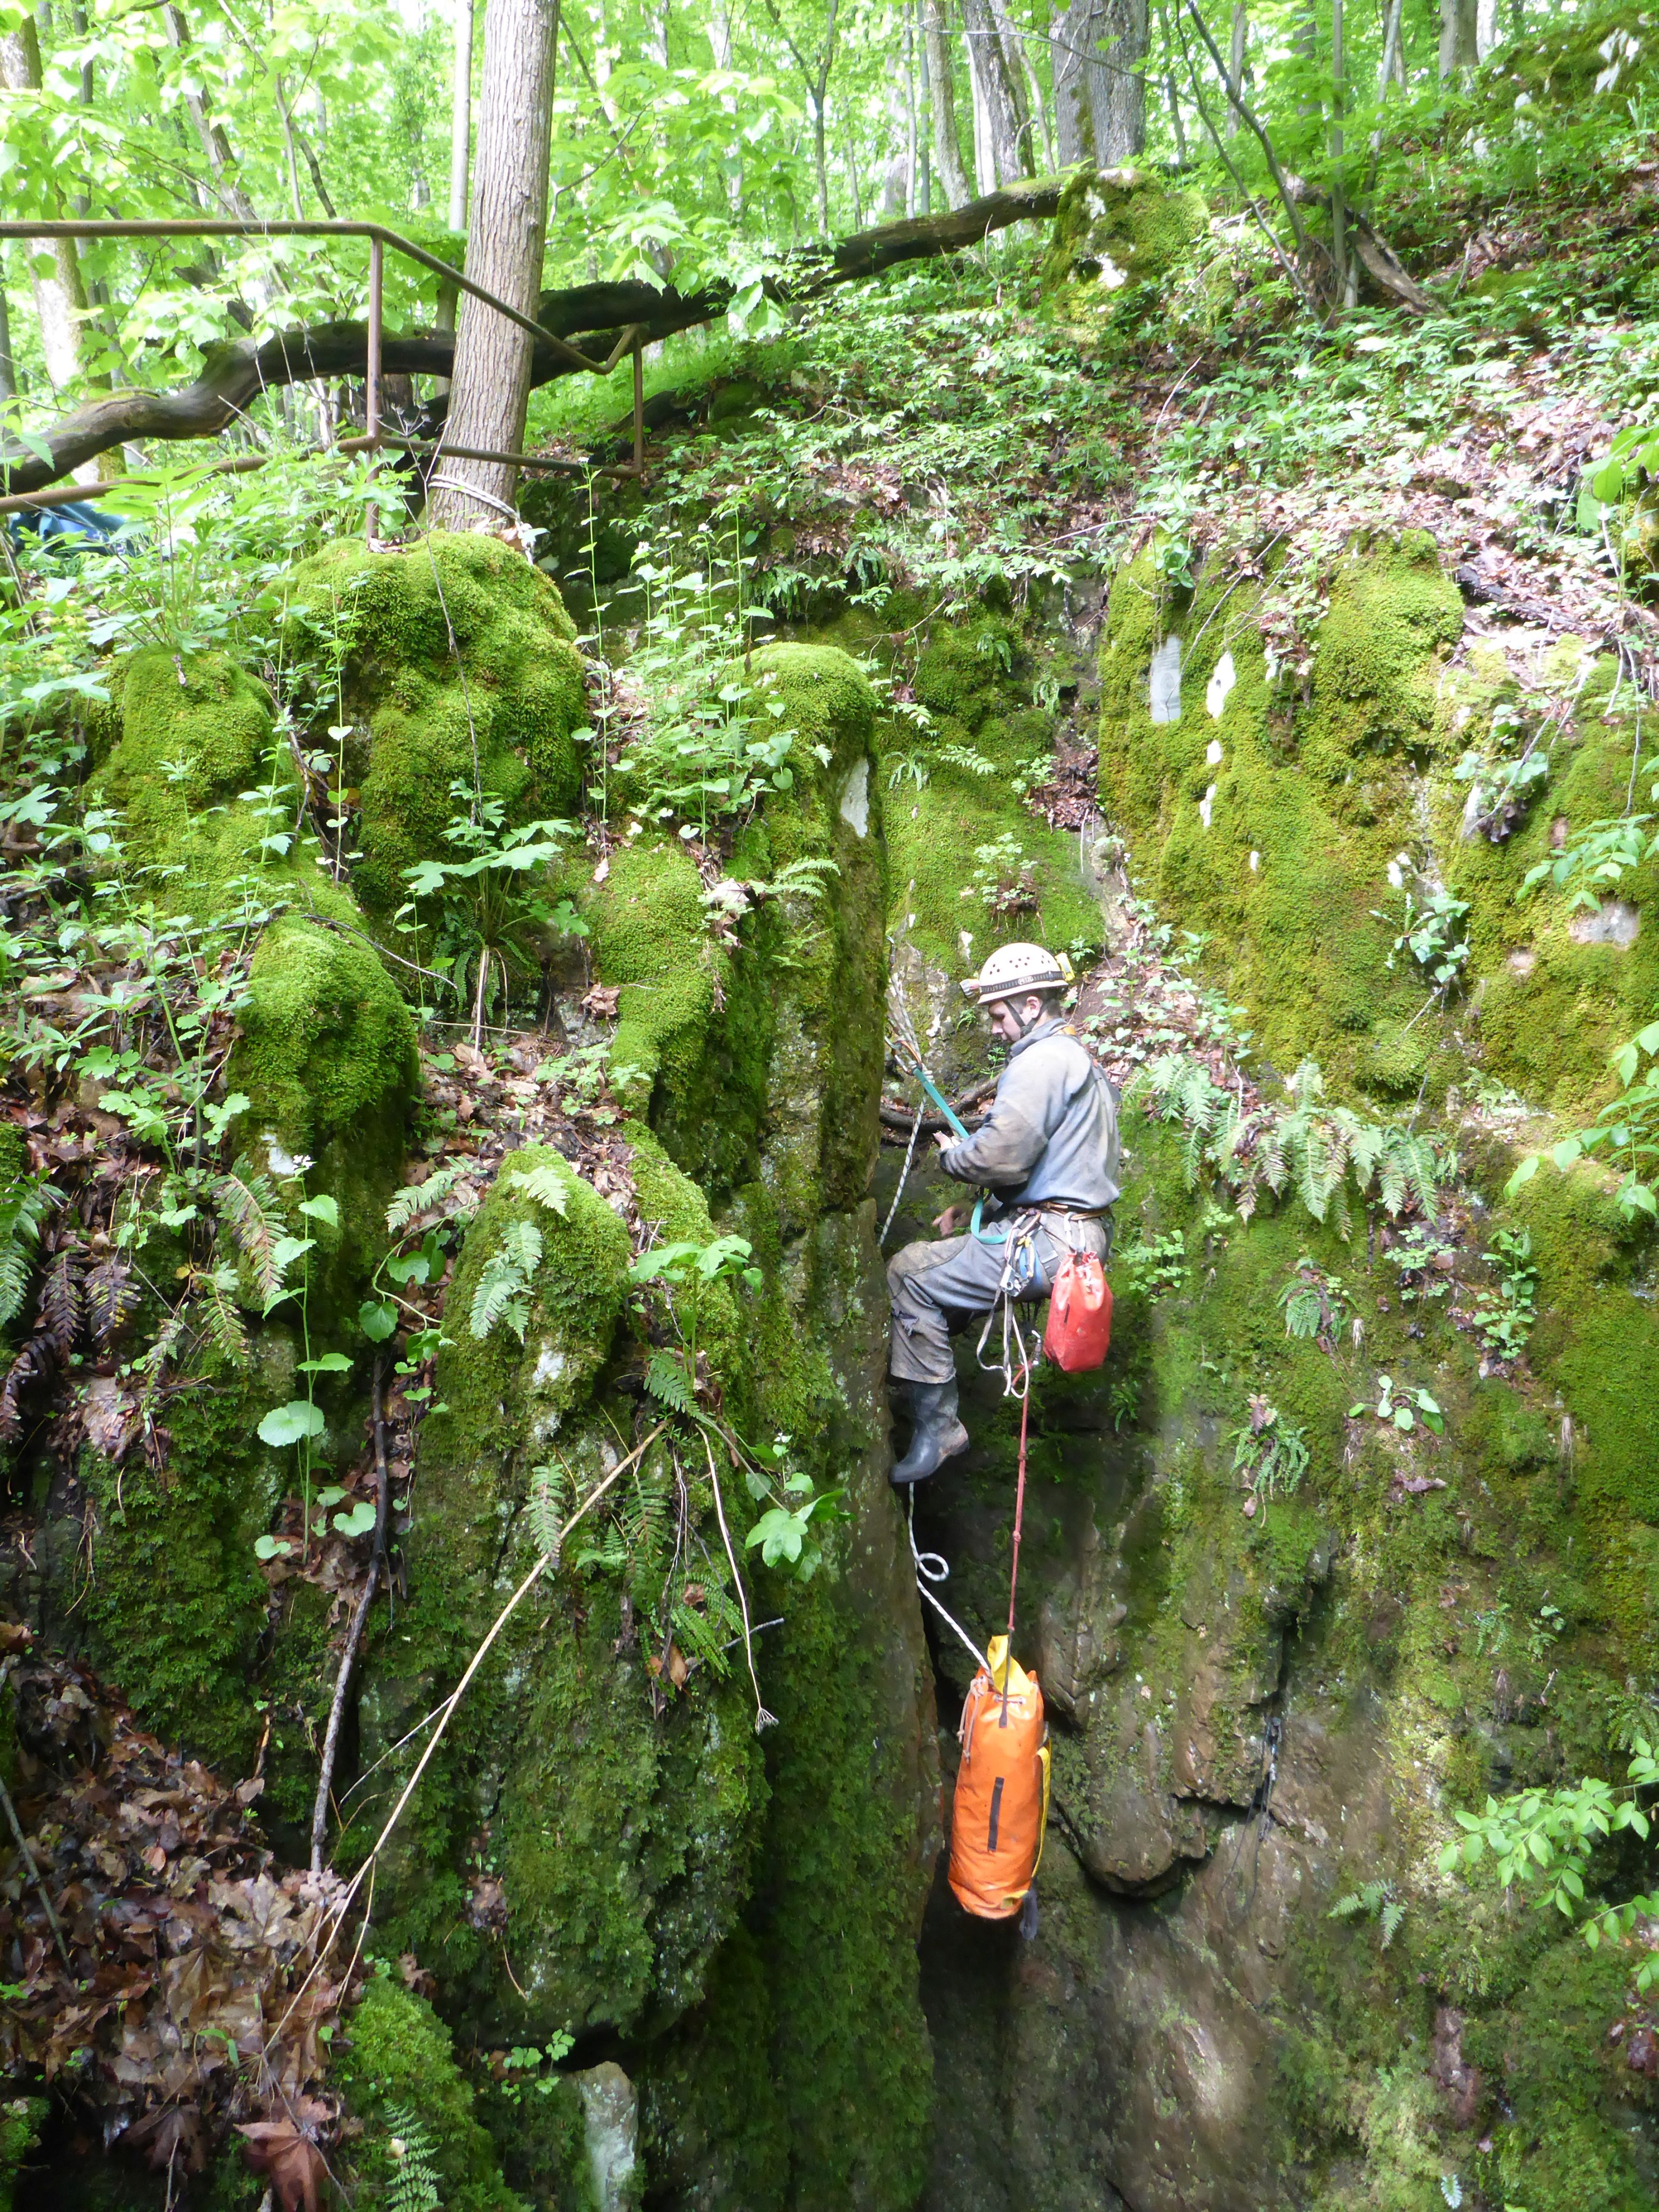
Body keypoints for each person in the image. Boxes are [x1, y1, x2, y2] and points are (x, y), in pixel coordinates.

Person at [887, 943, 1120, 1485]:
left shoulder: (1039, 1063)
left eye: (998, 1014)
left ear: (1031, 1006)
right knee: (937, 1270)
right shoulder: (1075, 1059)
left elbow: (1001, 1155)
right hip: (1072, 1236)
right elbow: (1048, 1172)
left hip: (1049, 1243)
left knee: (907, 1275)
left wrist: (951, 1159)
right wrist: (986, 1211)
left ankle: (937, 1427)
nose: (994, 1027)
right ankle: (934, 1342)